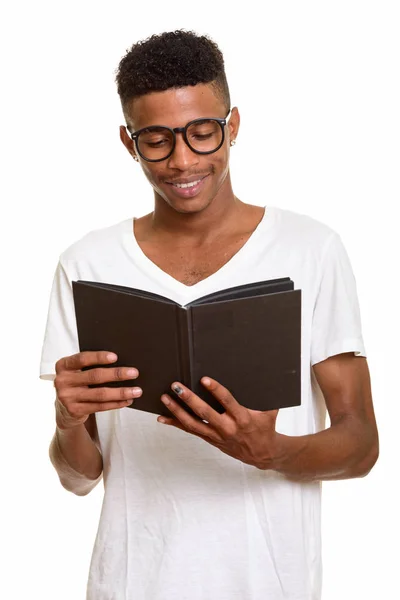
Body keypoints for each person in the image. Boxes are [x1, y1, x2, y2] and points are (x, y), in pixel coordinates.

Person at [40, 30, 379, 600]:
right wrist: (67, 422)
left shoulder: (310, 249)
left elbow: (361, 444)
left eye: (202, 133)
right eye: (156, 141)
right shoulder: (86, 265)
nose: (182, 161)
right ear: (128, 143)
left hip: (269, 585)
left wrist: (273, 452)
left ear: (234, 126)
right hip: (130, 583)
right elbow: (79, 477)